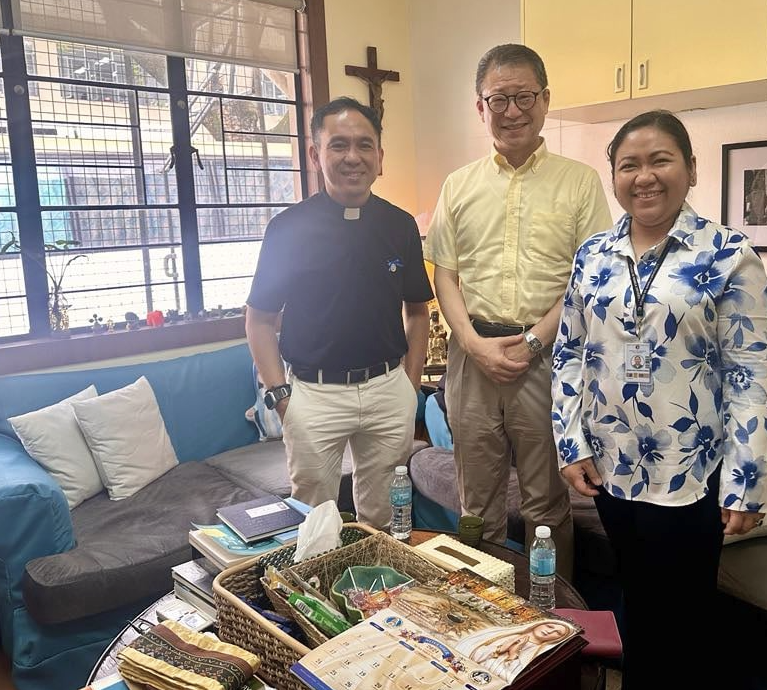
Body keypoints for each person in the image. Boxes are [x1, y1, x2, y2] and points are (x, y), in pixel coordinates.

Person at [551, 110, 767, 688]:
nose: (644, 177)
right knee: (639, 604)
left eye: (660, 160)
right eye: (629, 165)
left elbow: (751, 371)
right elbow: (570, 352)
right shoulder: (594, 254)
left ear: (691, 169)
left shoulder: (728, 254)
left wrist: (747, 482)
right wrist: (570, 443)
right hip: (612, 468)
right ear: (614, 177)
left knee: (685, 618)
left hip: (691, 475)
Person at [424, 45, 611, 579]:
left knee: (546, 506)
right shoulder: (458, 186)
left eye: (523, 96)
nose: (512, 110)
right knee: (474, 505)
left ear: (545, 100)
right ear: (480, 107)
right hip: (471, 357)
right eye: (498, 99)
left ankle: (554, 623)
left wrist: (531, 342)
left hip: (547, 357)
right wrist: (475, 345)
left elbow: (587, 280)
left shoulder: (580, 183)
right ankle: (482, 614)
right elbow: (447, 275)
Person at [246, 97, 433, 529]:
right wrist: (281, 399)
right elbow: (257, 322)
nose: (353, 157)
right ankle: (314, 594)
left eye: (365, 145)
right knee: (314, 522)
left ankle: (376, 596)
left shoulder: (400, 225)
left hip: (388, 389)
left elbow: (418, 312)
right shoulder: (287, 230)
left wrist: (410, 385)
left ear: (380, 157)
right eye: (339, 145)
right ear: (316, 154)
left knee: (384, 517)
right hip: (314, 394)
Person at [456, 619, 575, 680]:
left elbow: (515, 678)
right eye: (549, 626)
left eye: (557, 633)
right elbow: (464, 652)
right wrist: (499, 649)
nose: (549, 631)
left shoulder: (541, 654)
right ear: (539, 624)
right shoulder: (500, 633)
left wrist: (513, 655)